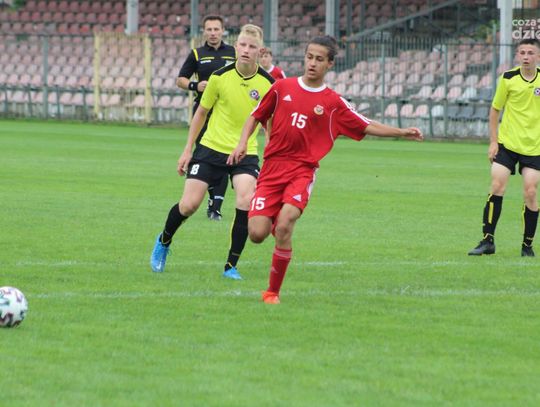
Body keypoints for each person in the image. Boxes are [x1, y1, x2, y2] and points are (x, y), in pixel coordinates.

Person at [228, 36, 423, 304]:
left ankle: (272, 293)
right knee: (257, 234)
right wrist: (242, 143)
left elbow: (366, 124)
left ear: (330, 64)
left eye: (319, 59)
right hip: (272, 170)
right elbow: (256, 115)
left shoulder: (333, 102)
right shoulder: (282, 87)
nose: (312, 63)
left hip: (302, 171)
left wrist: (401, 132)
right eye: (309, 57)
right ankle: (274, 224)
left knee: (285, 224)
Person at [151, 24, 274, 279]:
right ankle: (163, 241)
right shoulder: (220, 77)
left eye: (252, 46)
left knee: (245, 200)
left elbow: (269, 125)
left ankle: (231, 266)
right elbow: (201, 113)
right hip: (210, 148)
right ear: (236, 46)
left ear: (260, 51)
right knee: (189, 205)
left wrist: (272, 157)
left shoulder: (268, 84)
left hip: (246, 153)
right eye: (242, 45)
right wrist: (187, 149)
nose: (246, 50)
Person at [468, 38, 540, 257]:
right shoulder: (508, 78)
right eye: (522, 52)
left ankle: (527, 246)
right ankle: (487, 241)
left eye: (530, 53)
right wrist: (493, 141)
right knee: (497, 185)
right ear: (517, 55)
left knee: (530, 192)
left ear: (538, 56)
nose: (526, 56)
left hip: (534, 147)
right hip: (507, 145)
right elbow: (495, 110)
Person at [177, 15, 236, 221]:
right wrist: (195, 85)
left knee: (224, 156)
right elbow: (180, 79)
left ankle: (215, 207)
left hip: (227, 113)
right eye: (209, 29)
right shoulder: (197, 54)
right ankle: (207, 197)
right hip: (203, 111)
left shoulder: (234, 53)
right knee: (204, 156)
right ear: (204, 32)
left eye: (216, 29)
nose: (213, 33)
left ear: (223, 31)